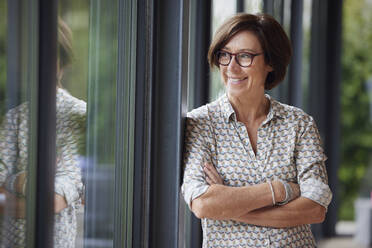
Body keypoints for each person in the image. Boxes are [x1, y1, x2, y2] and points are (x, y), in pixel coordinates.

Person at [181, 13, 332, 247]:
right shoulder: (201, 124)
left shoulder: (299, 124)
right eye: (225, 55)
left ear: (270, 62)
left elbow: (315, 208)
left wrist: (229, 207)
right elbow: (202, 203)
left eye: (244, 56)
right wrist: (280, 190)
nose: (231, 66)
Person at [0, 18, 85, 247]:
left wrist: (14, 181)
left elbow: (56, 199)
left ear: (61, 60)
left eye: (48, 54)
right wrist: (35, 181)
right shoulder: (14, 118)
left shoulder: (78, 114)